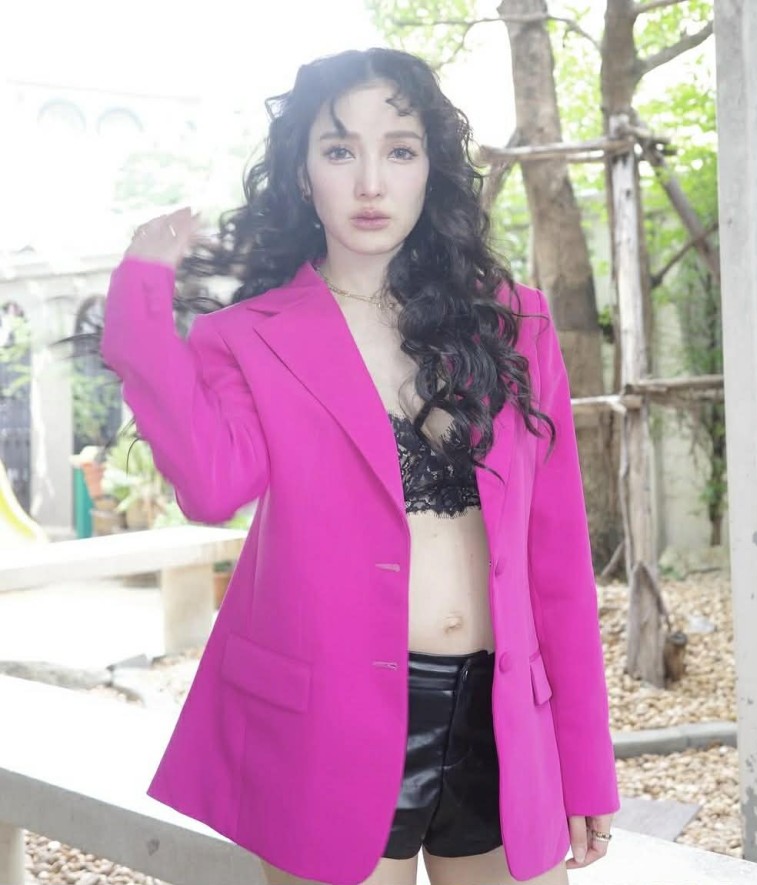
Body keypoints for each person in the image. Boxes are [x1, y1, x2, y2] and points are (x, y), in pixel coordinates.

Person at [100, 47, 619, 885]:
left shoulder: (514, 324)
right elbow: (212, 483)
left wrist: (586, 763)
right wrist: (140, 298)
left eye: (399, 149)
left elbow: (558, 560)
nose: (371, 182)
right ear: (304, 175)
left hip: (502, 723)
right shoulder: (251, 337)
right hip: (330, 728)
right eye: (340, 150)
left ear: (430, 169)